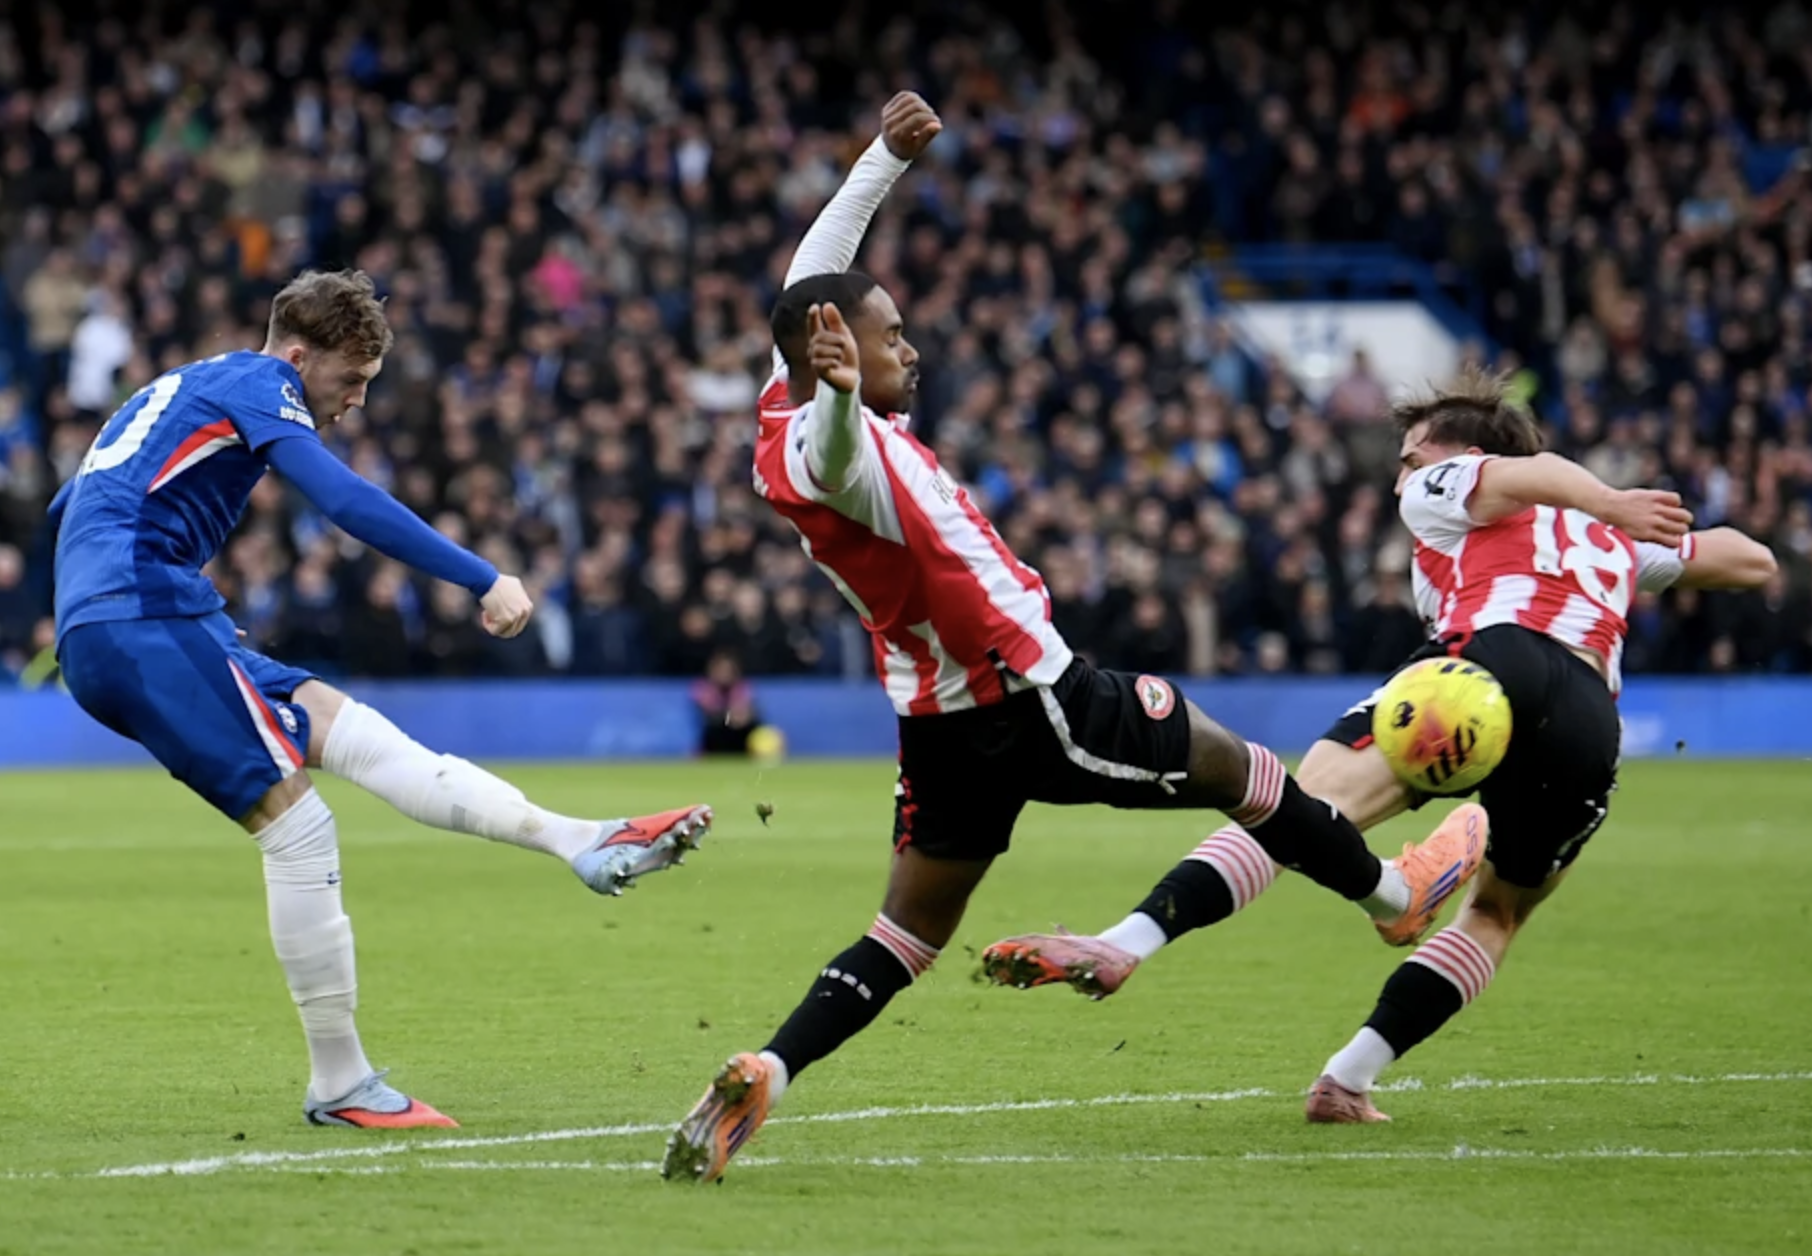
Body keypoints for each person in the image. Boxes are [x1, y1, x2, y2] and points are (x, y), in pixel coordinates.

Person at [662, 95, 1484, 1185]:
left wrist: (879, 164)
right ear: (835, 356)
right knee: (1237, 768)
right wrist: (846, 398)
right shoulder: (828, 444)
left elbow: (810, 278)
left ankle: (767, 1066)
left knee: (908, 930)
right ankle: (1391, 895)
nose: (909, 344)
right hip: (1028, 696)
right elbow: (839, 448)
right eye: (888, 333)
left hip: (937, 717)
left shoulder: (780, 410)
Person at [981, 368, 1778, 1122]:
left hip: (1486, 668)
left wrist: (1607, 496)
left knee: (1293, 811)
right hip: (1587, 726)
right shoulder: (1604, 538)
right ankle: (1349, 1077)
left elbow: (1513, 480)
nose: (1400, 476)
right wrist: (1632, 525)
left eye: (1411, 456)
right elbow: (1753, 560)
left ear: (1461, 454)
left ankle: (1127, 943)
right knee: (1497, 915)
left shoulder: (1448, 490)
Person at [48, 269, 713, 1129]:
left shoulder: (182, 386)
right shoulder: (260, 383)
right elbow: (343, 500)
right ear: (297, 355)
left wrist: (76, 605)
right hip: (142, 615)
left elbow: (72, 500)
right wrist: (482, 576)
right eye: (350, 379)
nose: (357, 401)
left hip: (144, 613)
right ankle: (340, 1081)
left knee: (356, 734)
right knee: (298, 828)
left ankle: (581, 841)